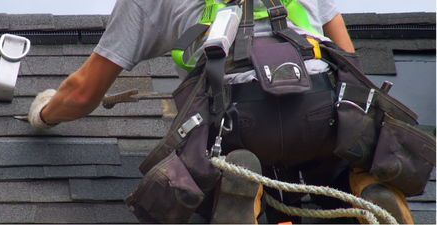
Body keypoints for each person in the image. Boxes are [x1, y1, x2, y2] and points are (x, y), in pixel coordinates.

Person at [27, 0, 414, 223]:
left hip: (239, 122)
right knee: (341, 149)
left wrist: (43, 114)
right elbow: (350, 66)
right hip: (321, 113)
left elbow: (81, 94)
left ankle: (241, 193)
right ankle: (363, 185)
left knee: (206, 165)